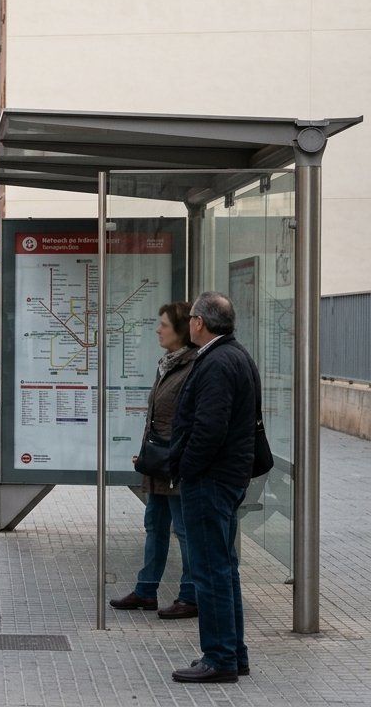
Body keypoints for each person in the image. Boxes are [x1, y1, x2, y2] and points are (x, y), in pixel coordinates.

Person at [169, 291, 259, 684]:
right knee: (224, 568)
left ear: (200, 322)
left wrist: (186, 469)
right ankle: (233, 654)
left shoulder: (217, 362)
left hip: (211, 479)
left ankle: (219, 657)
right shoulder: (235, 355)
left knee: (209, 571)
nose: (188, 322)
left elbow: (209, 427)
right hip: (226, 476)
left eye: (191, 317)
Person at [110, 302, 199, 619]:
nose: (158, 330)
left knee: (184, 531)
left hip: (174, 463)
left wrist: (169, 454)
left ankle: (191, 595)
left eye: (163, 324)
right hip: (157, 461)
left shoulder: (192, 366)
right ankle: (146, 590)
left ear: (180, 330)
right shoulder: (168, 363)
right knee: (155, 526)